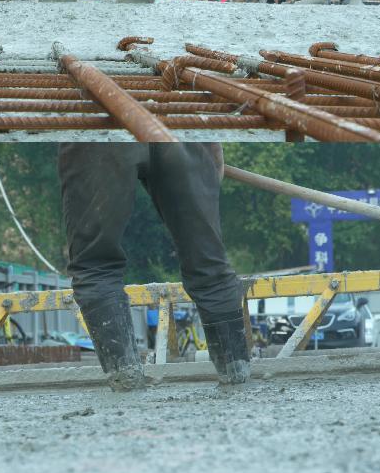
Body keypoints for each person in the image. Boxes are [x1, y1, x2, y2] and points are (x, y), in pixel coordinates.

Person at [59, 143, 250, 391]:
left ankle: (126, 387)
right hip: (181, 120)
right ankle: (237, 378)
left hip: (101, 125)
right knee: (210, 266)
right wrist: (210, 140)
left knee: (95, 266)